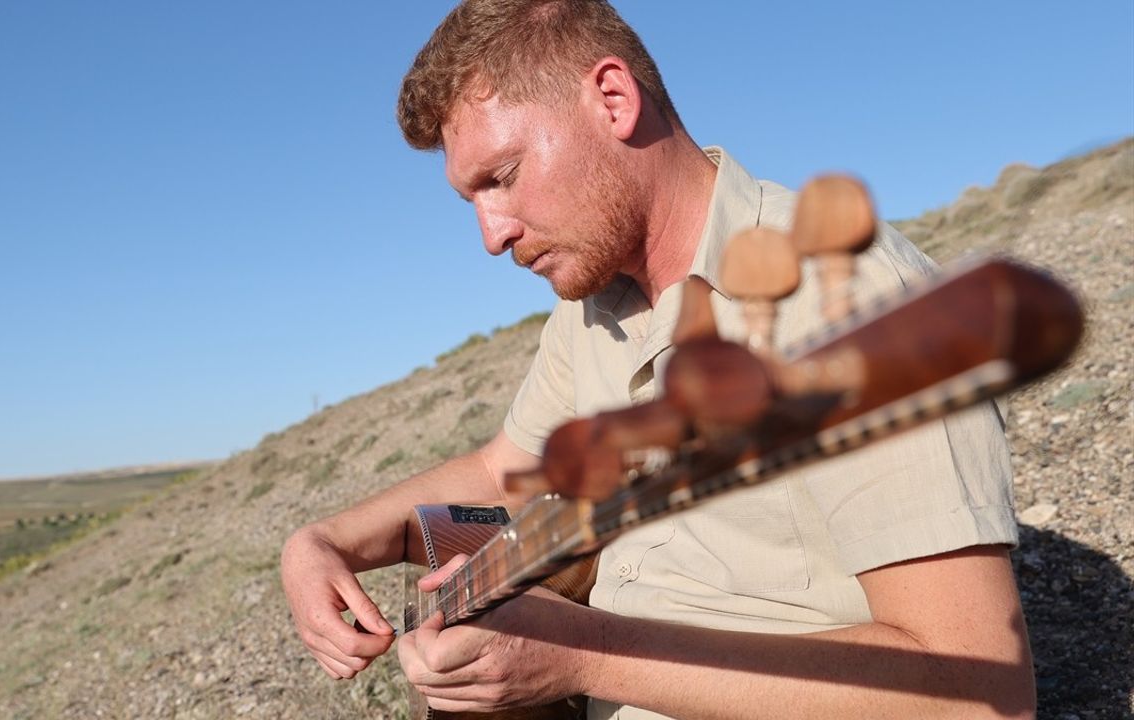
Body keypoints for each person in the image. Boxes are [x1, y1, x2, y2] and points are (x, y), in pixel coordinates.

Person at [280, 1, 1037, 717]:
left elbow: (978, 691)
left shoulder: (852, 304)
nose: (492, 234)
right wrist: (327, 541)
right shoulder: (597, 306)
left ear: (612, 99)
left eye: (502, 178)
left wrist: (590, 658)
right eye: (470, 199)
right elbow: (500, 476)